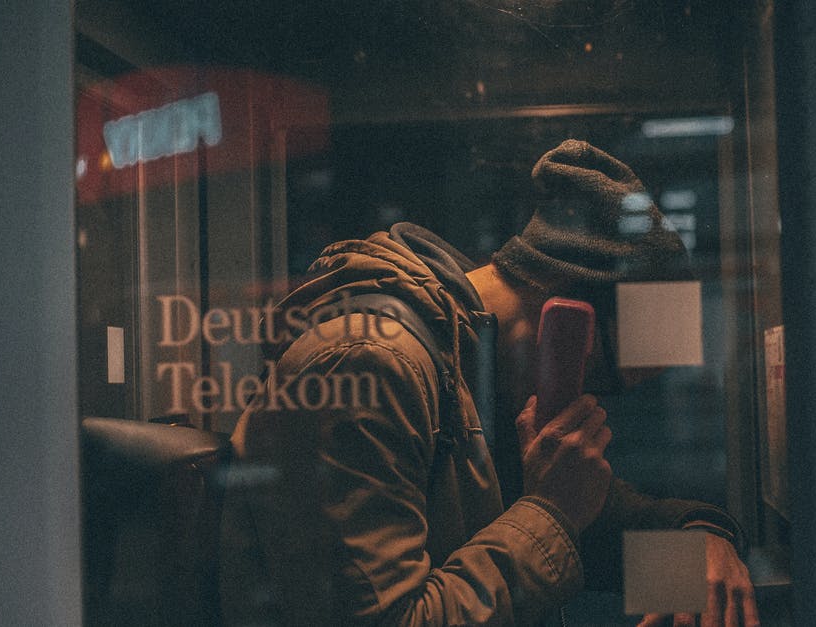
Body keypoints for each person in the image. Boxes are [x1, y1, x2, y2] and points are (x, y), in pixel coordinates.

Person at [225, 140, 759, 626]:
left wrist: (700, 537)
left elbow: (599, 523)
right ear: (563, 319)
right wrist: (551, 514)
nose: (591, 401)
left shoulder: (469, 371)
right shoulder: (373, 363)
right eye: (598, 377)